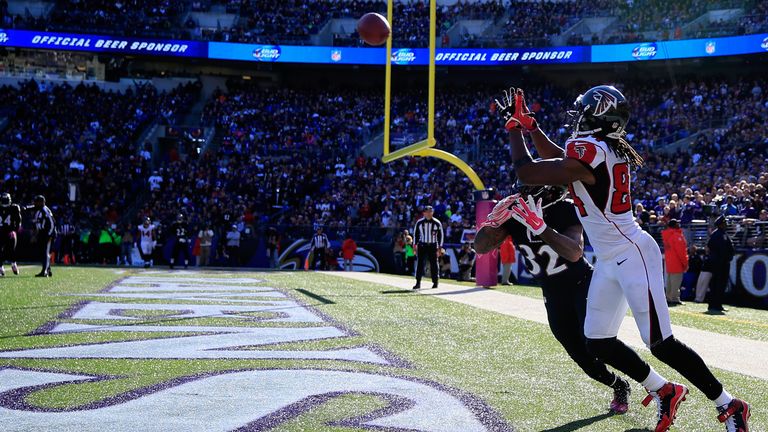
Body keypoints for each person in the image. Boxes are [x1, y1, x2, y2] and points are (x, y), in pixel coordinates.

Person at [499, 86, 749, 431]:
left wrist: (514, 128)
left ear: (598, 118)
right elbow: (561, 162)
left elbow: (529, 173)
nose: (578, 119)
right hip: (608, 258)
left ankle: (730, 405)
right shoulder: (601, 150)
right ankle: (665, 390)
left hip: (632, 254)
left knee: (662, 343)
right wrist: (531, 127)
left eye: (584, 114)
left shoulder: (590, 152)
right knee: (597, 341)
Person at [476, 185, 632, 414]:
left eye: (531, 186)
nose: (525, 192)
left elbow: (574, 252)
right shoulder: (514, 213)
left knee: (596, 343)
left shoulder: (565, 208)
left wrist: (540, 227)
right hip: (552, 293)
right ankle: (619, 385)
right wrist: (492, 223)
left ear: (548, 189)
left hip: (582, 284)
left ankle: (651, 382)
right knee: (580, 355)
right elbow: (480, 247)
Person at [707, 216, 735, 314]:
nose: (726, 224)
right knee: (717, 284)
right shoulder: (717, 234)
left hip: (722, 263)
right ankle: (715, 304)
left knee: (720, 284)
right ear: (721, 224)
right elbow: (712, 247)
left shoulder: (722, 234)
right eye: (725, 223)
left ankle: (717, 304)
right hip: (719, 263)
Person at [412, 205, 443, 290]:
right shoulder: (419, 222)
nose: (429, 213)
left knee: (434, 264)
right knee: (420, 264)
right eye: (428, 212)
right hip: (422, 245)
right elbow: (416, 234)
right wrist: (414, 245)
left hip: (433, 245)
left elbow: (441, 235)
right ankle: (418, 282)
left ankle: (435, 282)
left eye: (431, 211)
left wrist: (440, 247)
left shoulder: (437, 222)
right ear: (424, 213)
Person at [662, 219, 688, 306]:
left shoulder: (667, 235)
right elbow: (681, 252)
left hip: (669, 262)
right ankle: (674, 298)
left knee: (669, 281)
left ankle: (668, 297)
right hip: (677, 262)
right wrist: (685, 263)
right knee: (676, 282)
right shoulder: (677, 236)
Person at [30, 195, 56, 277]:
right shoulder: (39, 210)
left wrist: (49, 235)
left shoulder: (45, 210)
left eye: (36, 202)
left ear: (41, 202)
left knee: (45, 252)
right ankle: (48, 270)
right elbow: (37, 224)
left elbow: (52, 223)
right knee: (43, 252)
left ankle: (44, 272)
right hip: (42, 233)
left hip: (47, 233)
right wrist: (35, 235)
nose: (35, 203)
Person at [0, 193, 22, 276]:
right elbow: (19, 220)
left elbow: (18, 220)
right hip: (1, 231)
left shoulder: (14, 208)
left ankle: (13, 263)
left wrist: (15, 230)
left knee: (11, 249)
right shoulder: (14, 207)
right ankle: (1, 267)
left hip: (10, 231)